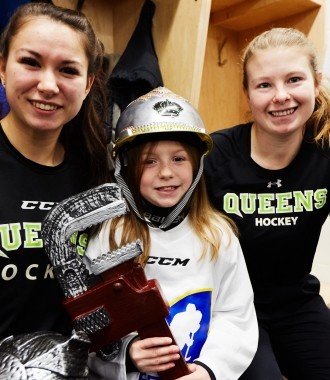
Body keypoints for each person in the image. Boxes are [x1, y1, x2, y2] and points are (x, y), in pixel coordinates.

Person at [86, 86, 258, 380]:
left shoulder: (218, 236)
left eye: (178, 159)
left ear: (196, 164)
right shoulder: (110, 236)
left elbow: (235, 315)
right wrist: (127, 354)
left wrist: (207, 371)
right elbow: (93, 323)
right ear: (127, 168)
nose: (166, 172)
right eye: (150, 161)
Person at [204, 27, 330, 380]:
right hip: (229, 307)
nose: (281, 96)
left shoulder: (324, 153)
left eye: (294, 80)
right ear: (246, 93)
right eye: (264, 85)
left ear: (316, 82)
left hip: (297, 301)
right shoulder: (214, 157)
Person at [0, 2, 111, 340]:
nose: (48, 85)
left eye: (68, 70)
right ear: (2, 67)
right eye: (31, 63)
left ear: (88, 83)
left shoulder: (97, 173)